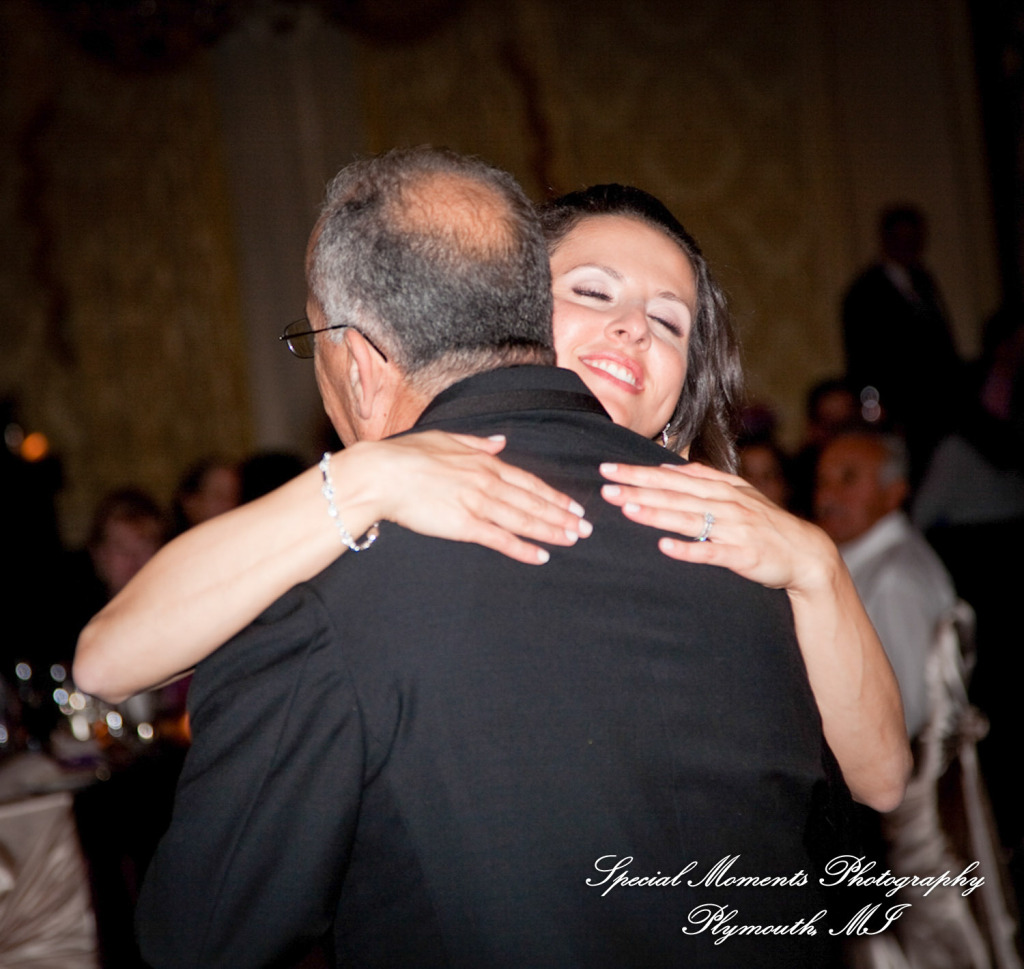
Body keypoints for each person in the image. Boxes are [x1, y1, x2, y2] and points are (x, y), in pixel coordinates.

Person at [121, 147, 883, 968]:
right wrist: (362, 479)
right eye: (593, 292)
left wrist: (818, 563)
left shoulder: (751, 548)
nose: (634, 325)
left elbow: (861, 815)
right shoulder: (358, 522)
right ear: (505, 310)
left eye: (669, 322)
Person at [814, 429, 955, 739]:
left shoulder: (894, 578)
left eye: (848, 479)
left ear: (894, 492)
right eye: (822, 482)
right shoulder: (862, 558)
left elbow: (906, 712)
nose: (827, 497)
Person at [841, 204, 963, 483]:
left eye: (914, 239)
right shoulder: (866, 290)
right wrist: (873, 405)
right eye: (901, 239)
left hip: (936, 406)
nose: (908, 247)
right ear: (886, 240)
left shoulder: (923, 281)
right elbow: (861, 356)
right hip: (896, 410)